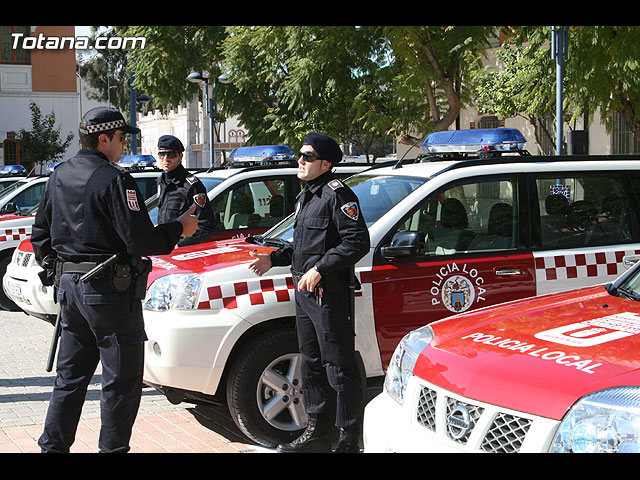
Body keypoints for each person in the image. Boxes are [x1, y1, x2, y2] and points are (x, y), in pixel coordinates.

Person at [31, 107, 198, 453]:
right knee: (121, 382)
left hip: (71, 292)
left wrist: (58, 273)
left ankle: (52, 448)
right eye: (121, 138)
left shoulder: (58, 175)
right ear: (103, 139)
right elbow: (141, 240)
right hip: (109, 292)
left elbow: (41, 237)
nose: (125, 145)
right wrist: (178, 228)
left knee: (69, 379)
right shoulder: (114, 179)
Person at [248, 132, 370, 453]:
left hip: (329, 294)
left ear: (325, 164)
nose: (300, 161)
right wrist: (273, 258)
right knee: (311, 363)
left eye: (308, 156)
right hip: (305, 294)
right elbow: (303, 247)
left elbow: (357, 241)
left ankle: (347, 438)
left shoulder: (337, 195)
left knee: (338, 367)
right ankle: (316, 430)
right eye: (299, 155)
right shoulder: (307, 196)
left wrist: (320, 269)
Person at [156, 135, 217, 246]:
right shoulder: (161, 182)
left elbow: (206, 225)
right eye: (162, 154)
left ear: (180, 156)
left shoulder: (192, 186)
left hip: (181, 251)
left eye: (171, 155)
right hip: (163, 247)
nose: (165, 159)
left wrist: (180, 245)